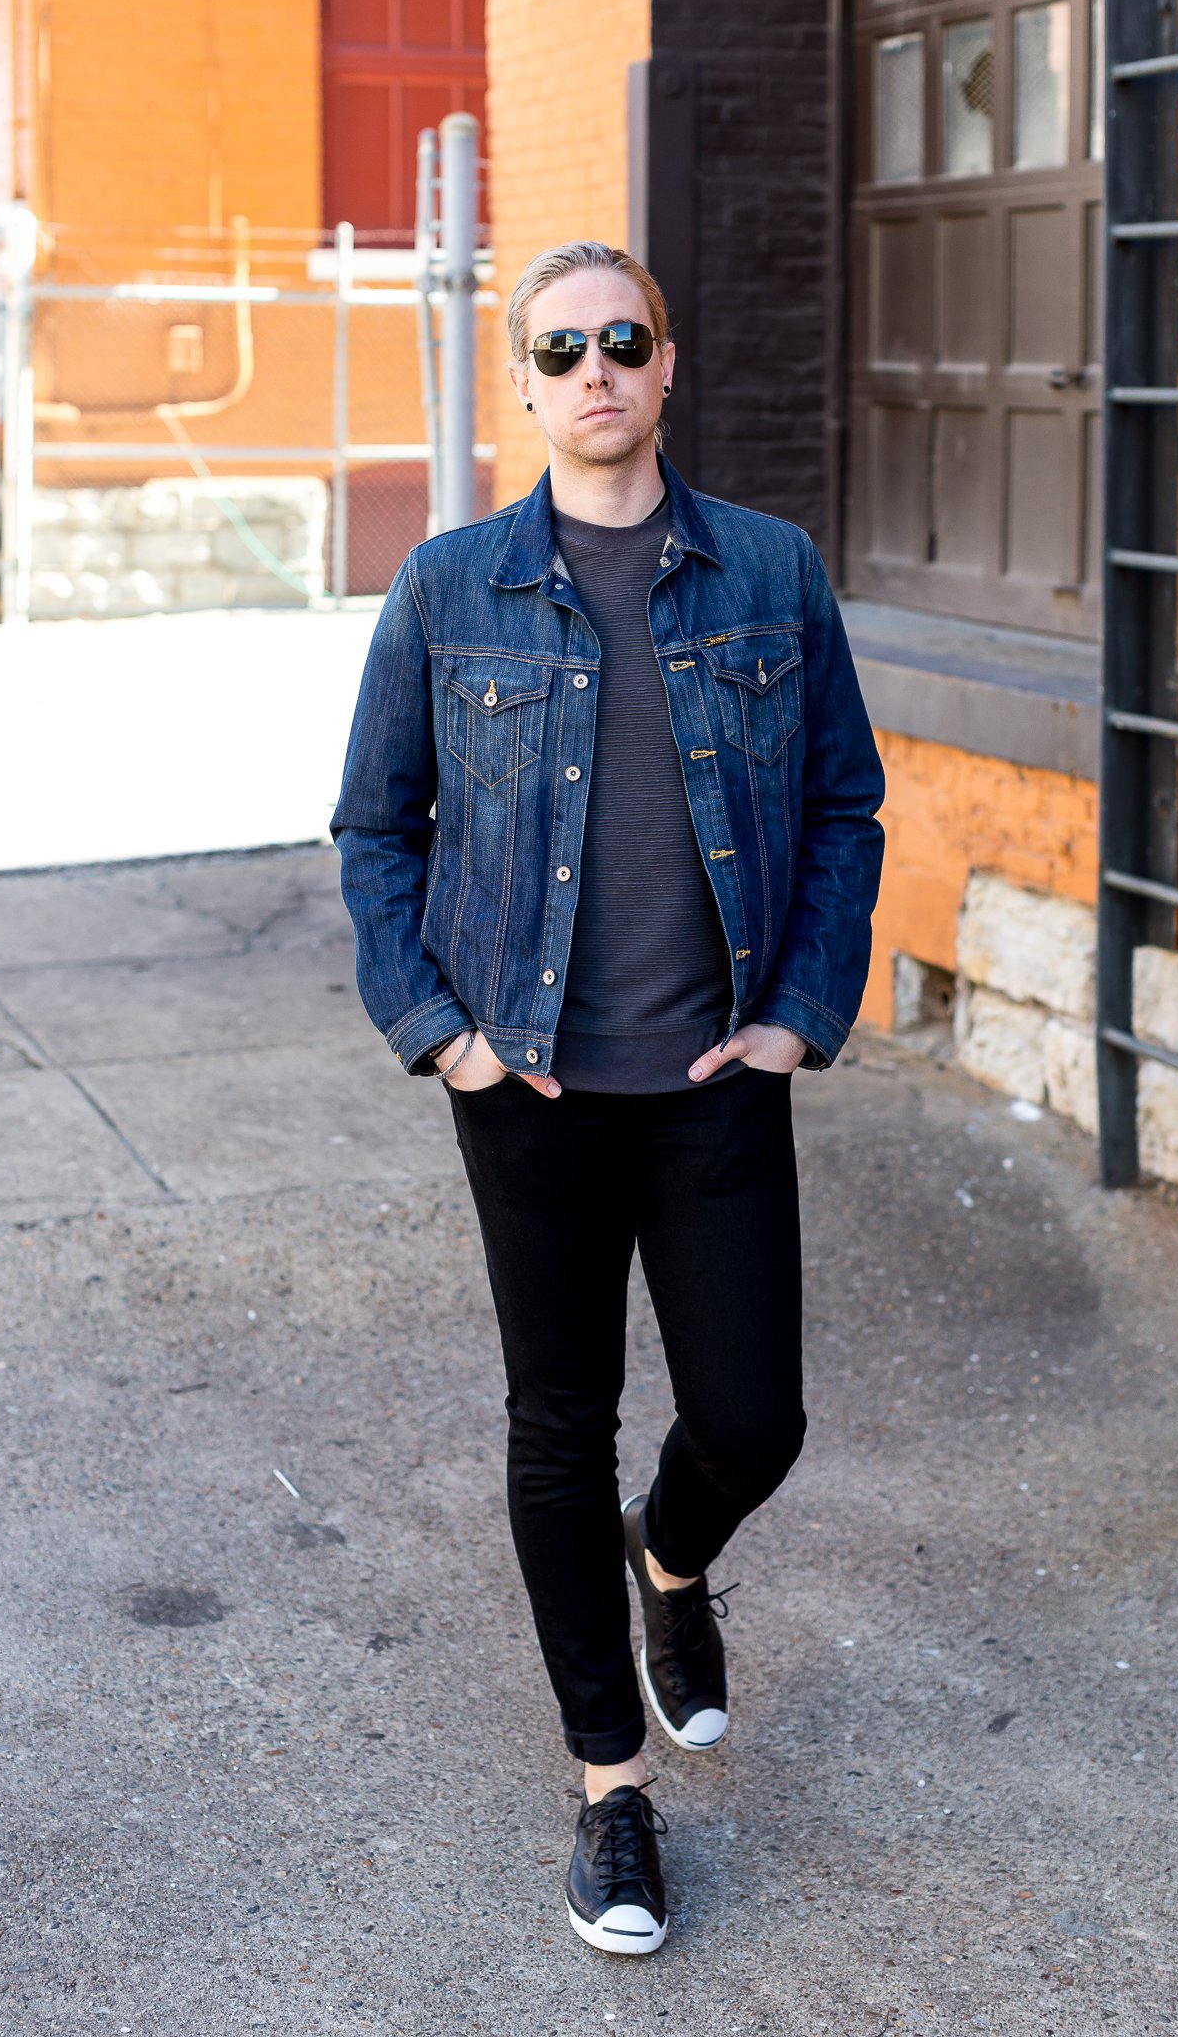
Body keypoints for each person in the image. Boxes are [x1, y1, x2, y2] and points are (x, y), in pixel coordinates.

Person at [331, 240, 884, 1956]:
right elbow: (374, 833)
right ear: (521, 380)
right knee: (553, 1430)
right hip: (533, 1094)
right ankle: (607, 1795)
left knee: (757, 1421)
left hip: (718, 1080)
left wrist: (801, 1011)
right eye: (559, 346)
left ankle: (676, 1560)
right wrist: (443, 1031)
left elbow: (843, 809)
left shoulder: (772, 575)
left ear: (666, 363)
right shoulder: (449, 587)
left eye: (623, 338)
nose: (594, 369)